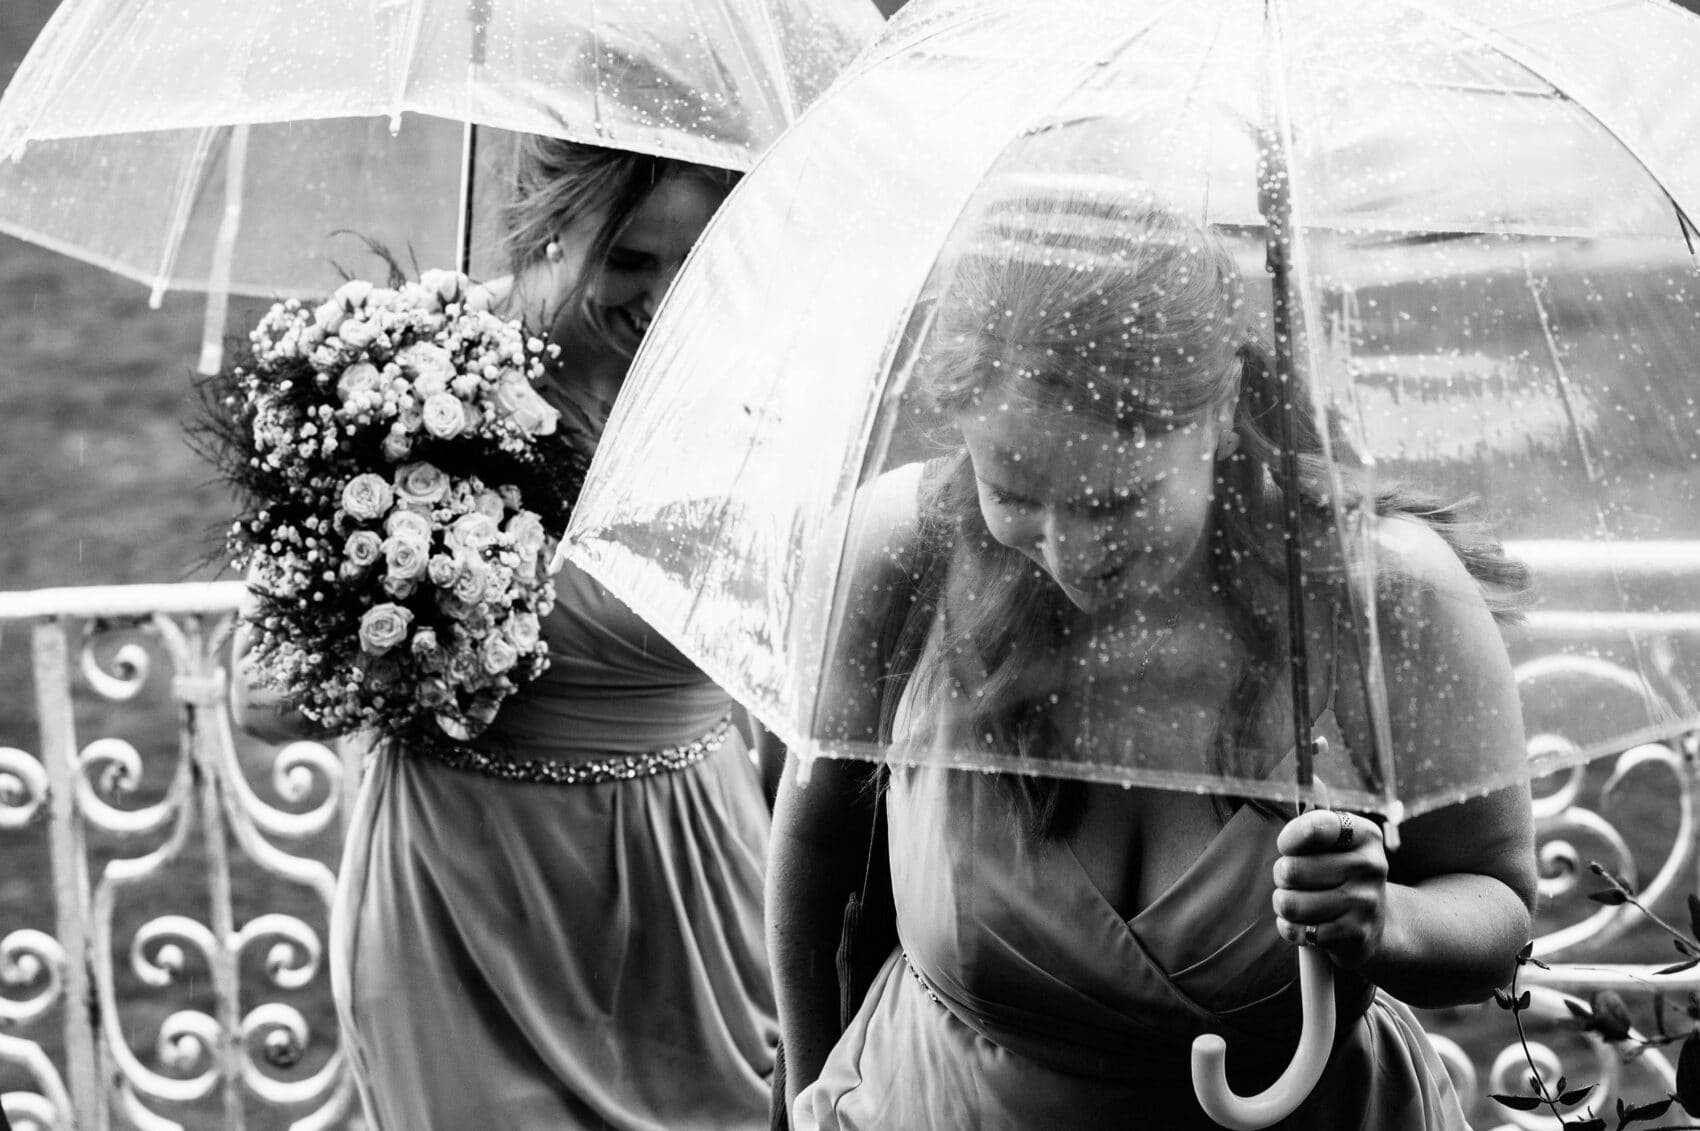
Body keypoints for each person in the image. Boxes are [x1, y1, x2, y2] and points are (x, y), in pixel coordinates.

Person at [769, 183, 1539, 1129]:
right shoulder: (905, 548)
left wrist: (1391, 922)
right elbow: (815, 854)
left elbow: (1498, 904)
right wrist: (804, 1096)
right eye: (1012, 490)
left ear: (1215, 418)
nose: (1066, 551)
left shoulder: (1383, 594)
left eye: (1112, 501)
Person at [231, 135, 778, 1130]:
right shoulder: (402, 388)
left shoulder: (757, 393)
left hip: (689, 894)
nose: (662, 298)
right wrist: (421, 609)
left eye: (694, 261)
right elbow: (261, 699)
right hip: (463, 908)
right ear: (545, 221)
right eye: (629, 260)